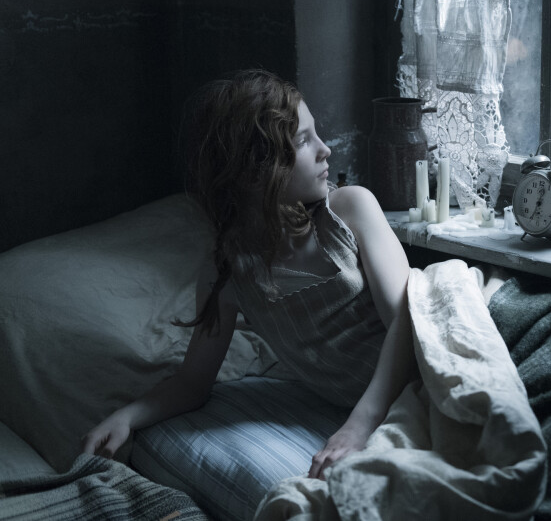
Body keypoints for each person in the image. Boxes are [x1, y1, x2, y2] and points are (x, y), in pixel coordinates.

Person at [81, 69, 415, 480]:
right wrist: (126, 417)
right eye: (304, 140)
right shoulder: (228, 276)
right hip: (387, 406)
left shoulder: (349, 209)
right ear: (256, 169)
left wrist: (360, 425)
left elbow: (409, 321)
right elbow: (192, 384)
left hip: (426, 366)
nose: (326, 149)